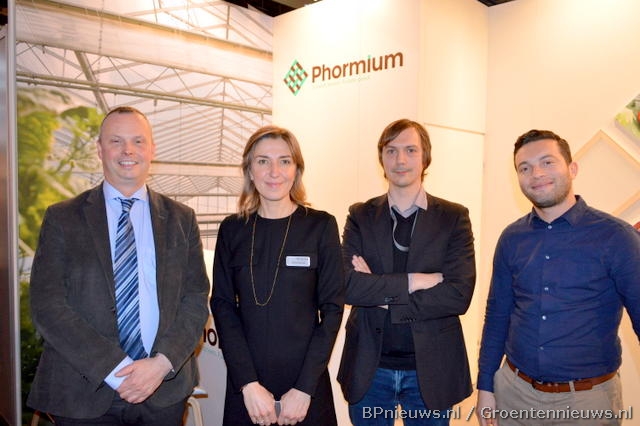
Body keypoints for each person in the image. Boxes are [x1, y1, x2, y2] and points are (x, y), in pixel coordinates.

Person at [27, 106, 210, 425]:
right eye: (116, 141)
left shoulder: (182, 219)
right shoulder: (62, 218)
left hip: (162, 390)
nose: (128, 150)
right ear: (100, 149)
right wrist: (115, 369)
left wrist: (161, 364)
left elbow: (195, 299)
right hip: (83, 390)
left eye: (138, 141)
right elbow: (48, 305)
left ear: (152, 150)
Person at [476, 129, 640, 426]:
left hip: (588, 401)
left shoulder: (616, 237)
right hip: (515, 393)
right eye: (524, 168)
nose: (536, 174)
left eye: (547, 162)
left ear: (572, 168)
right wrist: (485, 386)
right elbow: (497, 315)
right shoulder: (512, 238)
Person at [338, 119, 476, 425]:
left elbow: (458, 294)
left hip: (432, 368)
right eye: (391, 150)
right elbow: (348, 286)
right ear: (381, 159)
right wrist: (418, 281)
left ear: (425, 157)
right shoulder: (360, 215)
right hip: (370, 368)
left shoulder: (453, 217)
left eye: (411, 150)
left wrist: (379, 292)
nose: (400, 159)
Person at [210, 125, 344, 426]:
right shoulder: (232, 230)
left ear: (297, 170)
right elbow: (222, 306)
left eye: (284, 161)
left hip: (306, 389)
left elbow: (333, 309)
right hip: (248, 391)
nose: (274, 172)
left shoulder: (320, 226)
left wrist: (304, 388)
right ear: (249, 170)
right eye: (263, 161)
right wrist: (248, 384)